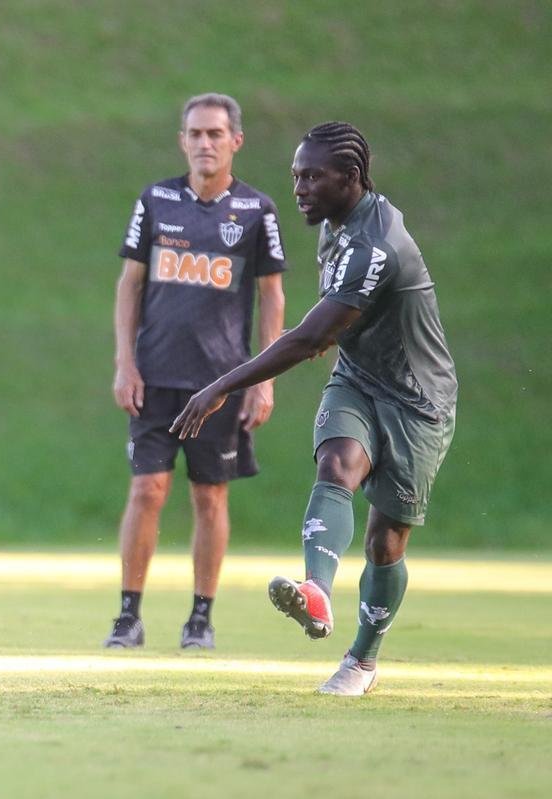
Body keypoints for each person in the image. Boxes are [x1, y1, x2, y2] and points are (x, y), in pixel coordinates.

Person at [171, 121, 457, 695]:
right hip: (357, 379)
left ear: (351, 179)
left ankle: (363, 661)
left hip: (418, 400)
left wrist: (219, 386)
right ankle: (317, 593)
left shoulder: (374, 248)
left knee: (385, 543)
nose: (298, 187)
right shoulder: (336, 222)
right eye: (295, 175)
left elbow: (308, 340)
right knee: (337, 464)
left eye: (312, 177)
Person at [105, 93, 287, 650]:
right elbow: (130, 285)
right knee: (147, 489)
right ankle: (128, 616)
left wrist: (263, 380)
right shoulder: (157, 200)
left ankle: (200, 618)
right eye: (194, 133)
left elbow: (273, 298)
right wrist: (125, 362)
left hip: (220, 384)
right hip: (156, 377)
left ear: (236, 141)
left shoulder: (257, 211)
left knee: (210, 497)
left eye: (215, 134)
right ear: (182, 140)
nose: (204, 143)